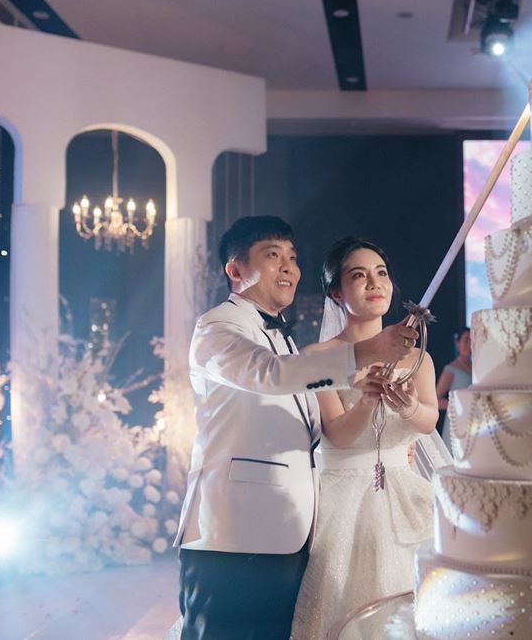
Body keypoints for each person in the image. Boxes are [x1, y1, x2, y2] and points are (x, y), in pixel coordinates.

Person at [174, 217, 417, 639]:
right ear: (235, 270)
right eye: (273, 255)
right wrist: (367, 351)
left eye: (292, 256)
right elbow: (271, 374)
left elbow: (310, 429)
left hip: (289, 532)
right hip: (234, 535)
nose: (289, 266)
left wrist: (385, 437)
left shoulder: (284, 338)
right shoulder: (217, 327)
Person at [290, 237, 438, 639]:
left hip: (404, 493)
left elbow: (428, 421)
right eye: (358, 275)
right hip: (343, 500)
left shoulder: (418, 357)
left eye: (381, 273)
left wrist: (409, 407)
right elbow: (336, 435)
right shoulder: (318, 356)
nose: (375, 283)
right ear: (337, 293)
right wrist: (368, 401)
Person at [435, 327, 471, 451]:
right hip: (456, 422)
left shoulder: (477, 368)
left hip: (473, 421)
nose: (469, 344)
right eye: (466, 340)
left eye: (472, 340)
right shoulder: (451, 369)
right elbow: (436, 400)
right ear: (458, 343)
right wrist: (458, 404)